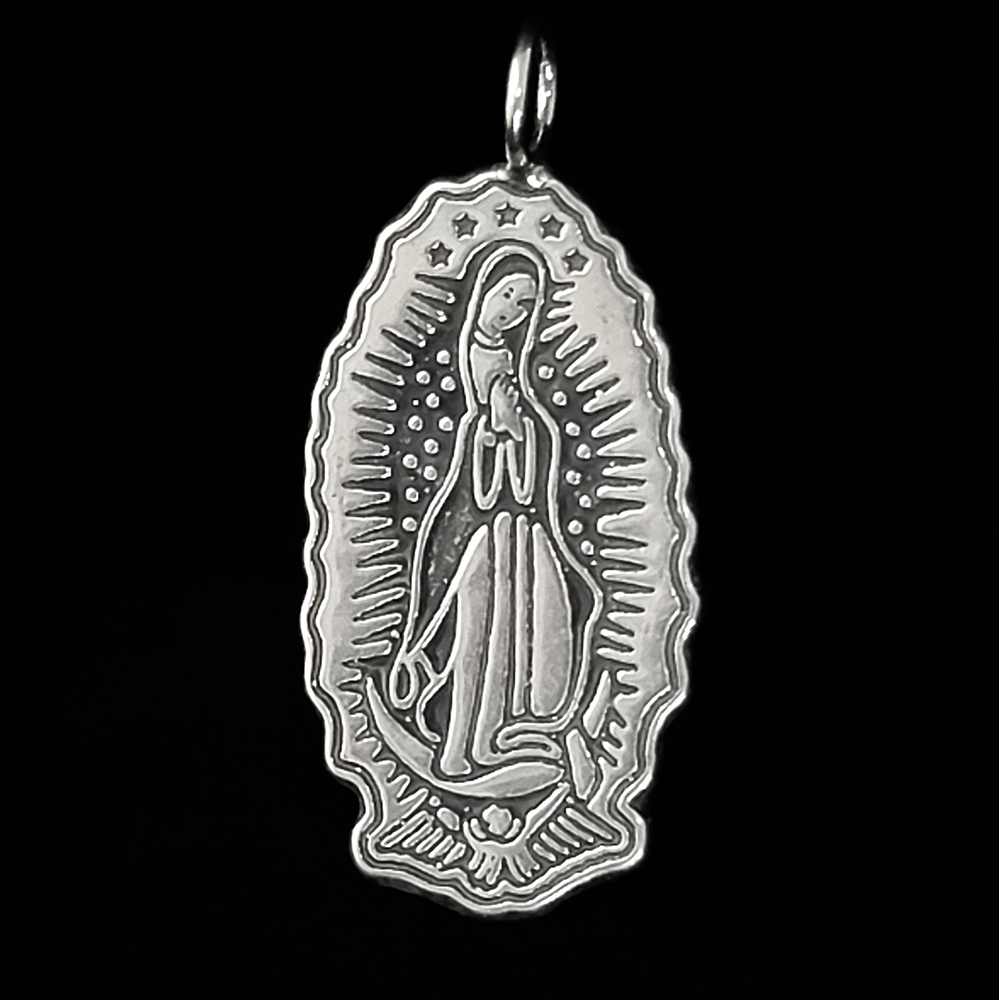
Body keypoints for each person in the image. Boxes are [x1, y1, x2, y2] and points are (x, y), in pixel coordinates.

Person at [387, 244, 599, 795]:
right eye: (506, 295)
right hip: (482, 538)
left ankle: (488, 738)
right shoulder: (478, 391)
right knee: (474, 636)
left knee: (507, 638)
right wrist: (494, 428)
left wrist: (518, 429)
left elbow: (524, 490)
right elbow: (477, 490)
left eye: (524, 305)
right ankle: (457, 747)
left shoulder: (512, 381)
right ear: (482, 294)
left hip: (515, 535)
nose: (510, 311)